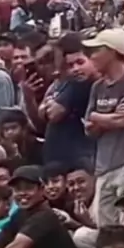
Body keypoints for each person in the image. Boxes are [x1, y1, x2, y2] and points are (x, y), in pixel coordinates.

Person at [83, 29, 124, 227]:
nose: (92, 56)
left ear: (112, 52)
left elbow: (123, 120)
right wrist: (107, 118)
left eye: (97, 50)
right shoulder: (97, 86)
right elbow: (89, 128)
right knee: (106, 229)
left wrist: (98, 117)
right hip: (103, 167)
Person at [40, 33, 97, 167]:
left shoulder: (82, 85)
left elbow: (54, 114)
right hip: (57, 157)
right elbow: (41, 112)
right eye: (70, 65)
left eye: (80, 62)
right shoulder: (66, 81)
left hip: (78, 158)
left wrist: (50, 105)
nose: (75, 69)